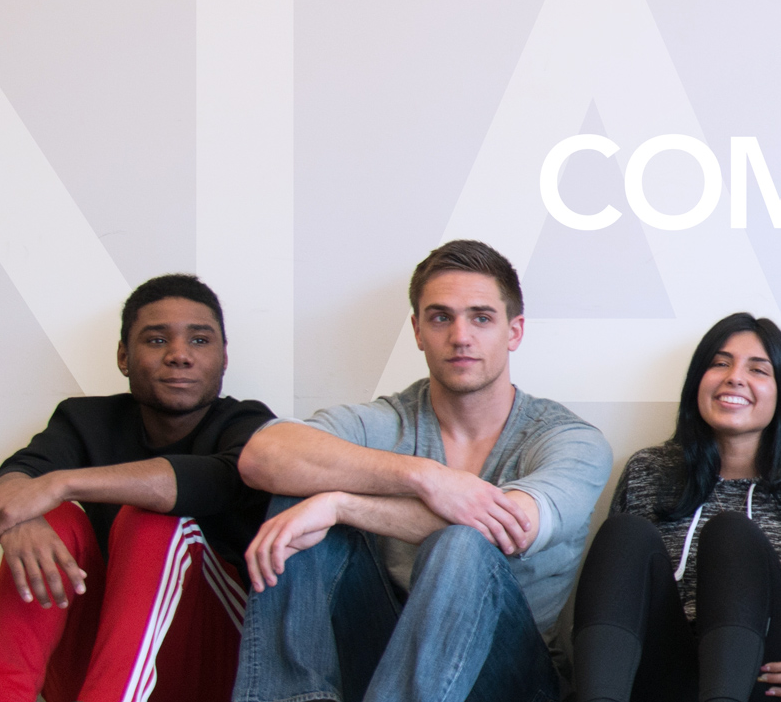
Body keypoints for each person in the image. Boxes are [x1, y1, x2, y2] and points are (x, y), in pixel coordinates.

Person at [231, 239, 615, 702]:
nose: (460, 336)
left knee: (461, 541)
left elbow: (506, 529)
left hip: (511, 677)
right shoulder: (392, 420)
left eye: (481, 317)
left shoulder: (570, 439)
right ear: (417, 331)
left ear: (514, 332)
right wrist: (425, 477)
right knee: (298, 492)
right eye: (440, 318)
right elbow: (262, 456)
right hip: (384, 662)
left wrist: (340, 504)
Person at [0, 274, 277, 702]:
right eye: (155, 341)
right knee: (50, 519)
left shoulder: (249, 427)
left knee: (151, 520)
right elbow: (11, 486)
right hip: (95, 666)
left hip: (213, 666)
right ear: (123, 357)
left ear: (225, 358)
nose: (179, 356)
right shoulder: (85, 420)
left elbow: (210, 480)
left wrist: (60, 483)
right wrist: (20, 518)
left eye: (200, 341)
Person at [571, 312, 781, 702]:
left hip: (771, 674)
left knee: (731, 532)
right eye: (720, 363)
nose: (734, 377)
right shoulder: (648, 471)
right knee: (624, 533)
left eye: (758, 369)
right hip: (666, 676)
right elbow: (619, 594)